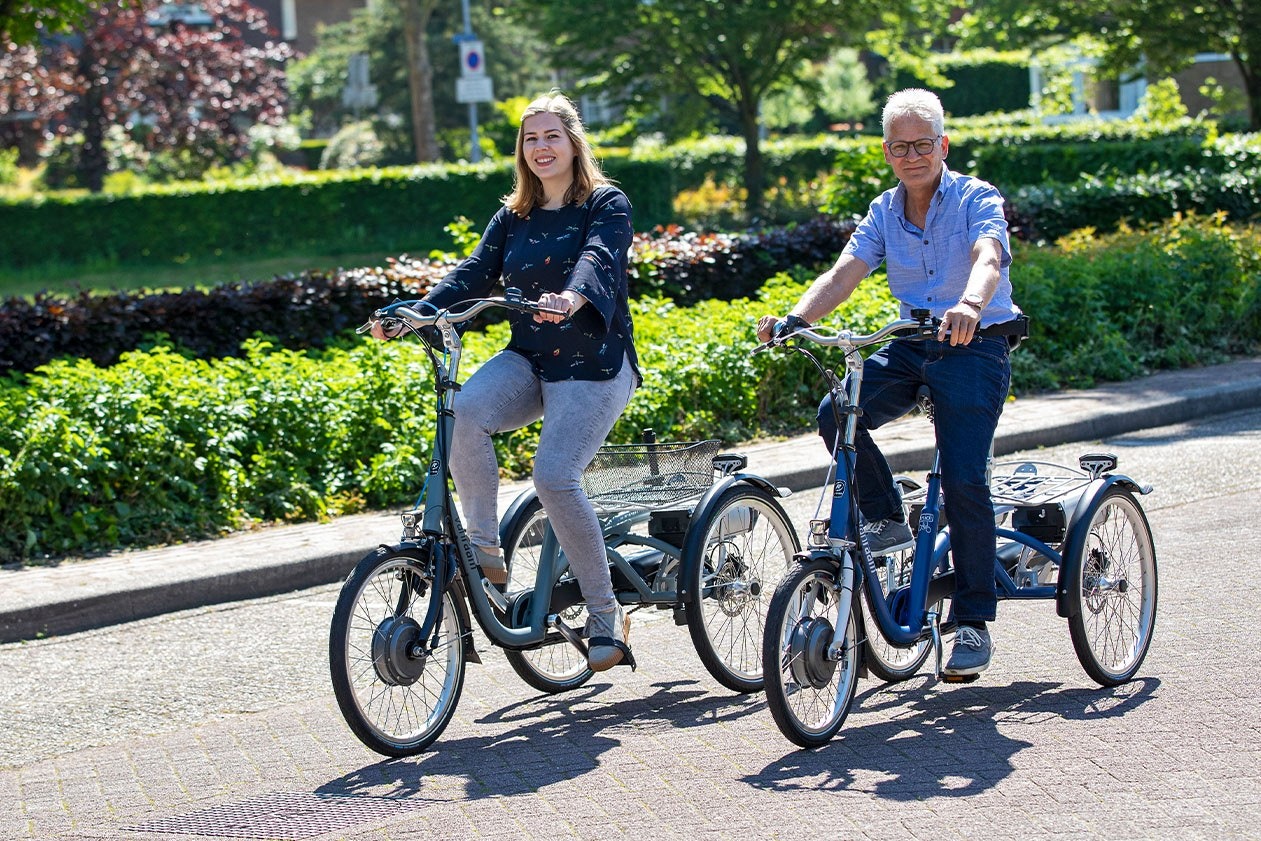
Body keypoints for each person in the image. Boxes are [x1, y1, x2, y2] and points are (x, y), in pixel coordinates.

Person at [757, 88, 1023, 678]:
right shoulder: (884, 210)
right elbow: (846, 270)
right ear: (886, 152)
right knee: (837, 413)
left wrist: (970, 304)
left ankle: (974, 620)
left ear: (942, 145)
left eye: (922, 145)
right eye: (900, 147)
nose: (912, 155)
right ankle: (886, 516)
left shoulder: (975, 196)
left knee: (962, 477)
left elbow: (989, 255)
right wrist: (798, 320)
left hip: (975, 342)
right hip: (911, 344)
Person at [371, 92, 639, 672]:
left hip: (593, 364)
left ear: (573, 143)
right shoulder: (512, 215)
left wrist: (572, 297)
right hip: (530, 357)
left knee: (554, 477)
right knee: (464, 412)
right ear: (522, 150)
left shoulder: (606, 204)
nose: (541, 148)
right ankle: (487, 551)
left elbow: (598, 258)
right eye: (531, 139)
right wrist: (417, 310)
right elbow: (474, 272)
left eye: (552, 136)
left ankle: (604, 616)